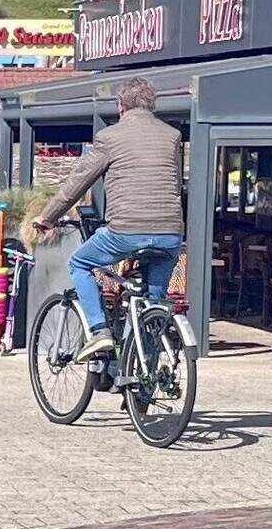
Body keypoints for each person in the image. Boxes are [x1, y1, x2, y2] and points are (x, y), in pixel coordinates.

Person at [27, 79, 186, 365]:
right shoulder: (172, 135)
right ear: (152, 105)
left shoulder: (109, 137)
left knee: (80, 263)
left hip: (125, 231)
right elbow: (173, 183)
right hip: (170, 233)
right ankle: (145, 372)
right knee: (153, 300)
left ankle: (99, 330)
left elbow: (77, 183)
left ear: (120, 106)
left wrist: (47, 217)